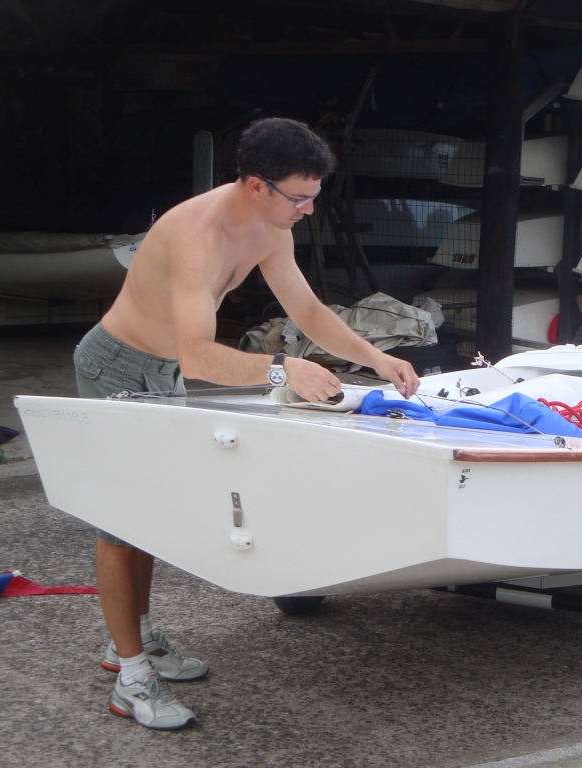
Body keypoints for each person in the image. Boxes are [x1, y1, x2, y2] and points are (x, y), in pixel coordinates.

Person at [73, 117, 420, 730]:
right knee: (120, 521)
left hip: (160, 368)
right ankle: (130, 677)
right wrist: (283, 369)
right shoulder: (196, 235)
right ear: (257, 185)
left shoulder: (271, 223)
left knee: (149, 514)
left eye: (314, 196)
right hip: (116, 364)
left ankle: (137, 639)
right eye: (299, 198)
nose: (308, 210)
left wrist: (377, 358)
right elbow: (198, 357)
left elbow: (306, 309)